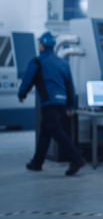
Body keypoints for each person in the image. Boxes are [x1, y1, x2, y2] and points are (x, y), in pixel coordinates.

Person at [19, 31, 85, 176]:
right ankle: (36, 163)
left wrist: (21, 94)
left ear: (41, 45)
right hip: (61, 103)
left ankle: (76, 158)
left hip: (48, 102)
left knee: (54, 129)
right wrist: (70, 105)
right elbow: (69, 86)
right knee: (45, 131)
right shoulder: (63, 63)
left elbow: (28, 80)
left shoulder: (37, 61)